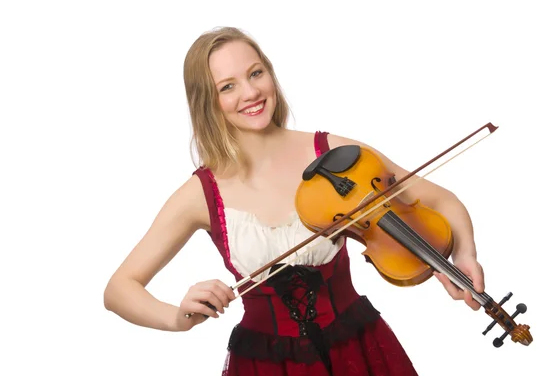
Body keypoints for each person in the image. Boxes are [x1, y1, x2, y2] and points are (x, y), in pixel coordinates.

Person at [103, 26, 485, 376]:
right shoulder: (200, 194)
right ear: (208, 101)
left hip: (362, 354)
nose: (250, 94)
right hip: (263, 367)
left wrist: (464, 254)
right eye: (227, 86)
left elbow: (441, 200)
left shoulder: (336, 156)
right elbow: (119, 288)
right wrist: (177, 317)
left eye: (255, 73)